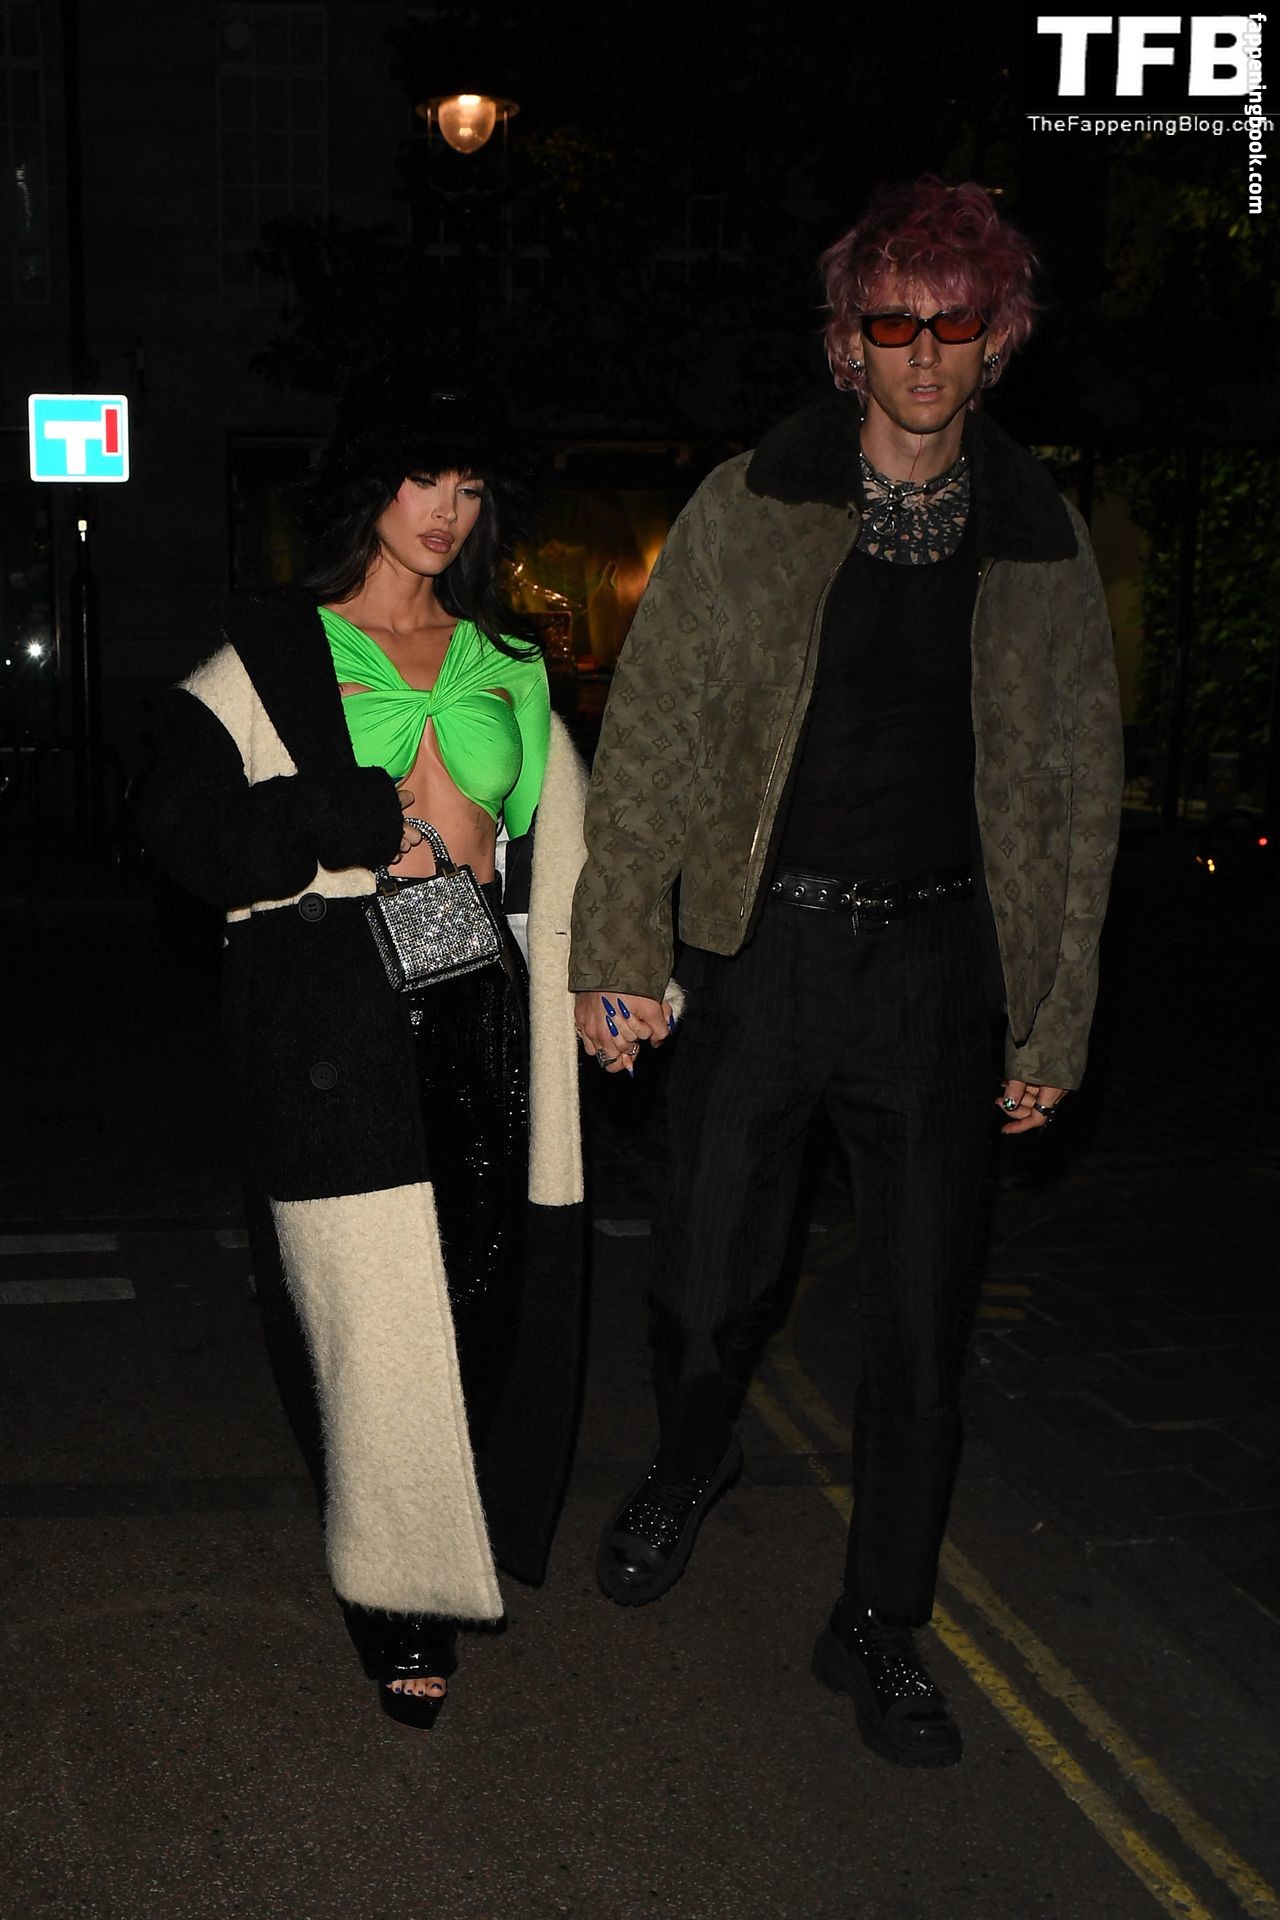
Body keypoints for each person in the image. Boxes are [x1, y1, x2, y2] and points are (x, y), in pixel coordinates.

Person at [569, 177, 1123, 1767]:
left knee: (923, 1327)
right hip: (764, 950)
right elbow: (655, 734)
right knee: (704, 1288)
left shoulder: (1040, 536)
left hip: (944, 971)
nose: (924, 353)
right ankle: (692, 1456)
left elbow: (1081, 787)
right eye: (894, 324)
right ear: (847, 343)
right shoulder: (753, 503)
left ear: (998, 339)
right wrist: (621, 948)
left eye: (955, 324)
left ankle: (879, 1619)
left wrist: (1054, 1016)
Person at [140, 375, 587, 1729]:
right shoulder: (273, 654)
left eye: (470, 489)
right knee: (370, 1319)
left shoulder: (509, 662)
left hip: (478, 999)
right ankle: (397, 1594)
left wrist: (625, 983)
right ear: (367, 489)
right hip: (329, 1019)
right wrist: (322, 818)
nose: (448, 512)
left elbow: (572, 855)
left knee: (479, 1300)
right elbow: (178, 827)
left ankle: (446, 1529)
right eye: (422, 481)